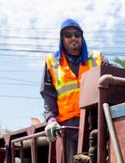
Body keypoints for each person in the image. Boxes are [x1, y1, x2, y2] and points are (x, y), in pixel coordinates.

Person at [41, 19, 103, 149]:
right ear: (62, 39)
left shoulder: (97, 58)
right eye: (68, 35)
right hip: (69, 126)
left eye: (77, 35)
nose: (73, 38)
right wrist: (50, 119)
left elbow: (115, 77)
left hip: (95, 119)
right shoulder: (52, 62)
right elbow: (48, 94)